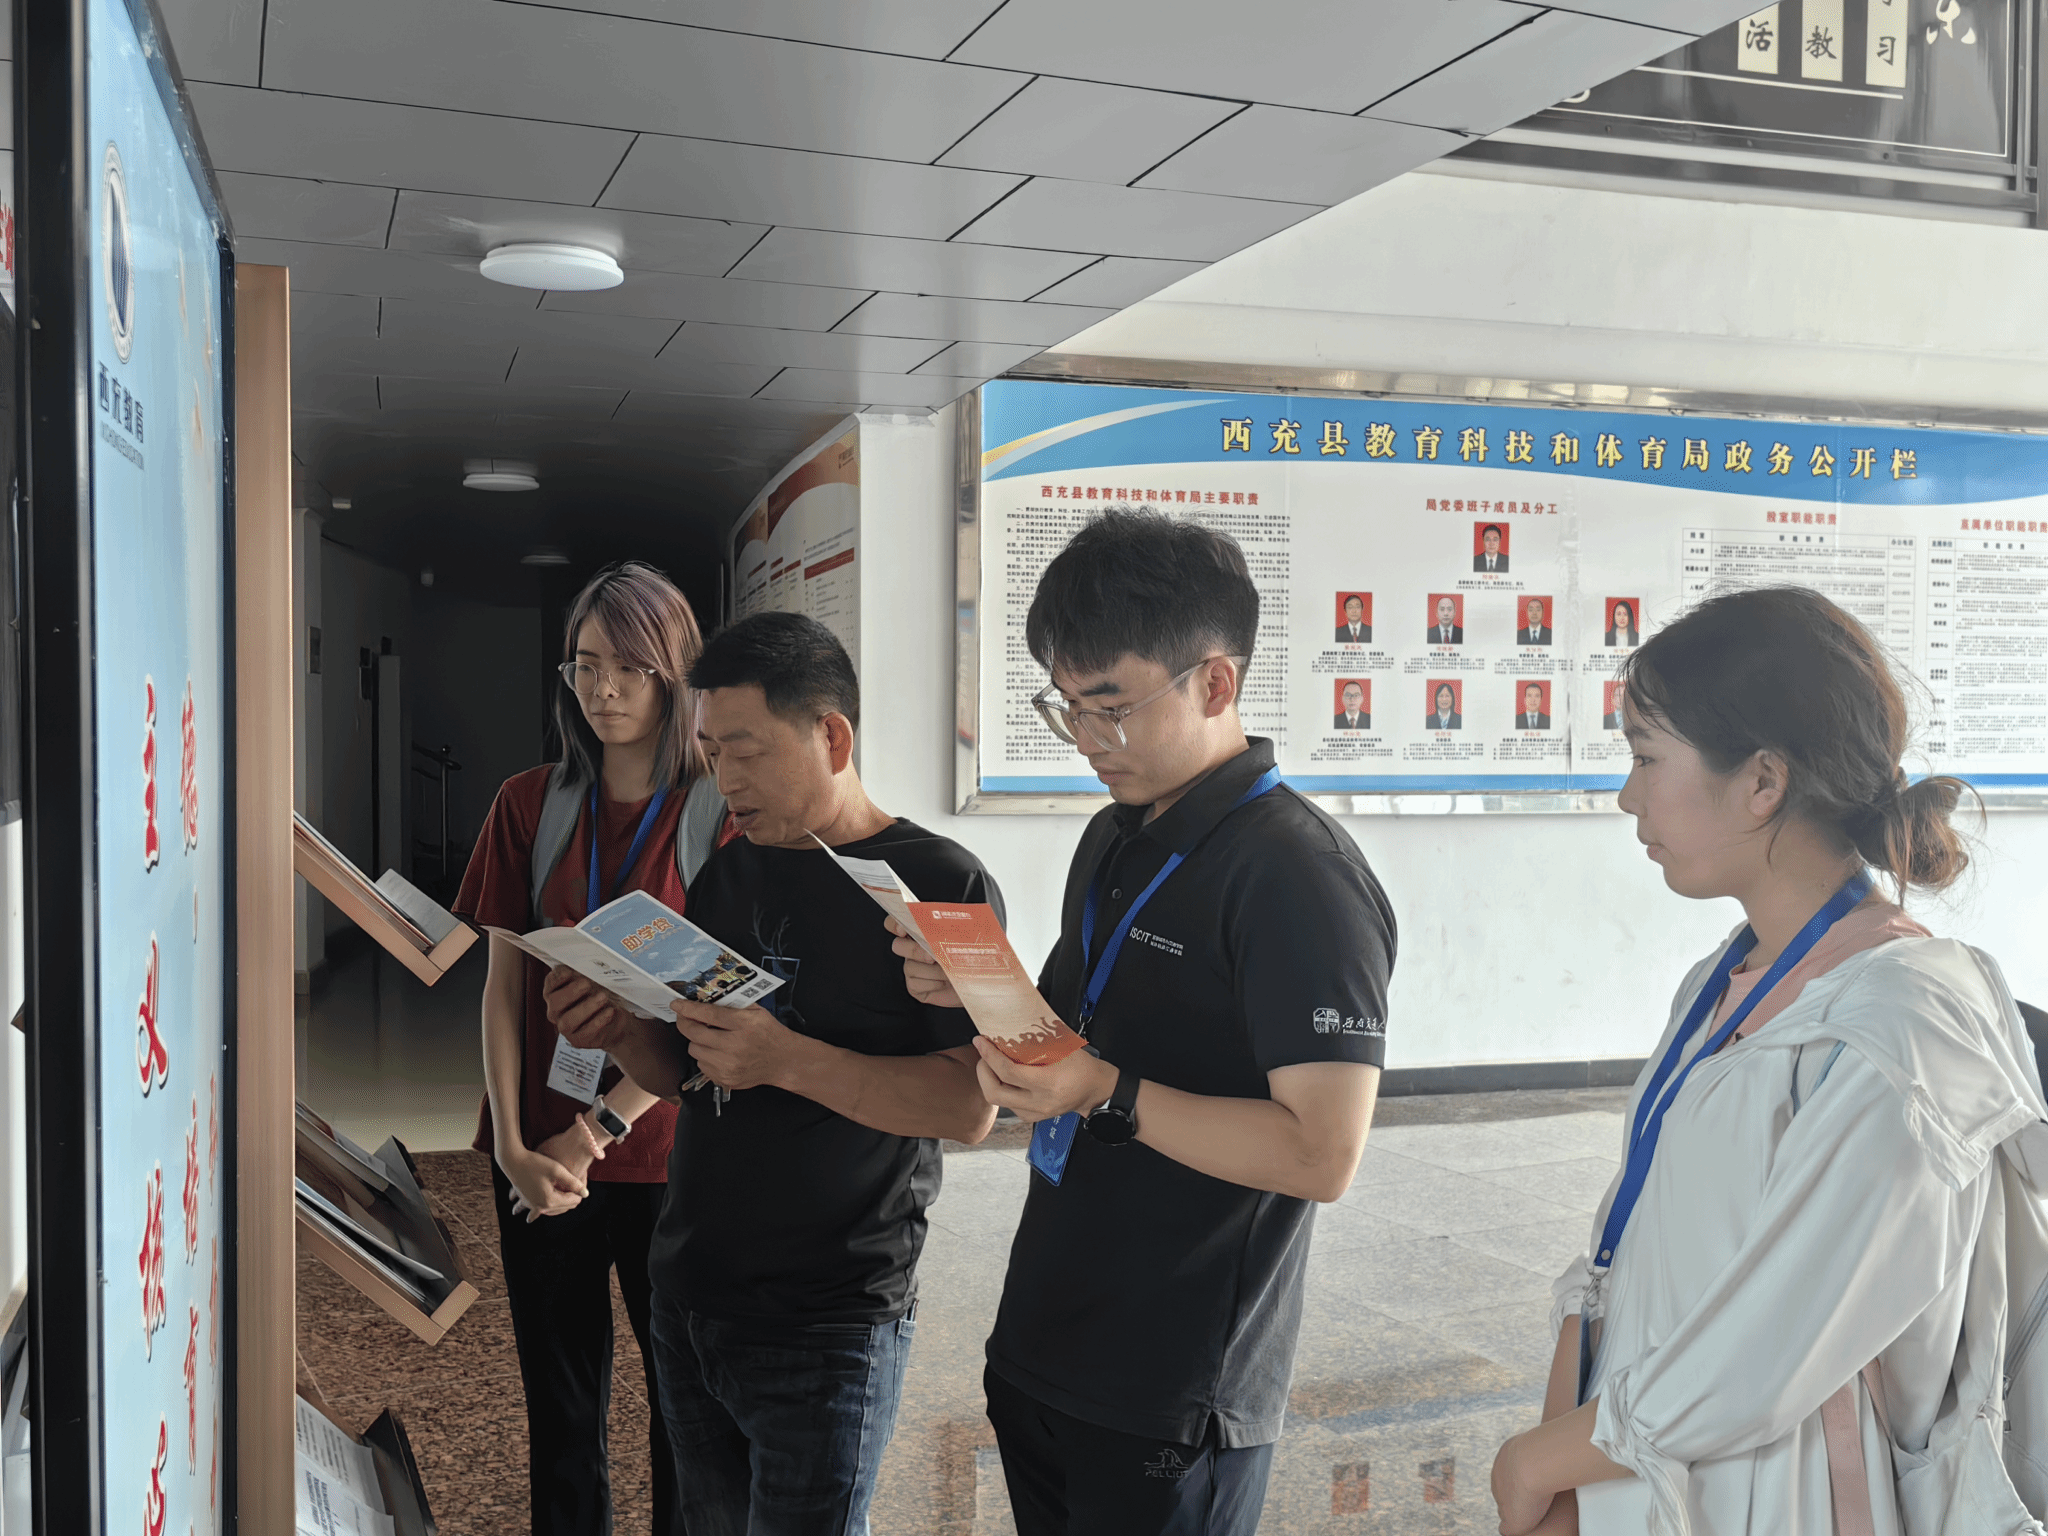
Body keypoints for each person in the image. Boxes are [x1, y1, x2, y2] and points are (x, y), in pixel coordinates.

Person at [1488, 586, 2046, 1536]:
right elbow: (1638, 1242)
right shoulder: (1723, 978)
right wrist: (1573, 1451)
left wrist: (1545, 1457)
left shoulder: (1908, 1024)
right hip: (1650, 1471)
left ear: (1762, 782)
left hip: (1787, 1499)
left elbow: (1778, 1343)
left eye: (1646, 758)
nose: (1627, 796)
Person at [900, 510, 1394, 1536]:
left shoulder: (1297, 877)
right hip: (1048, 1331)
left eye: (1111, 706)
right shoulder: (1115, 834)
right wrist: (975, 992)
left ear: (1214, 683)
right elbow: (1070, 1031)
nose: (1086, 740)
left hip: (1174, 1380)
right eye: (1066, 706)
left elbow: (1322, 1154)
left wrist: (1103, 1091)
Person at [543, 611, 1001, 1536]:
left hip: (829, 1315)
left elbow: (967, 1105)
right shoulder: (729, 872)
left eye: (746, 751)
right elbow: (691, 1073)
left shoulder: (940, 880)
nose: (726, 780)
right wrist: (620, 1030)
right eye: (712, 752)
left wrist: (786, 1059)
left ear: (831, 736)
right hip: (691, 1289)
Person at [454, 560, 718, 1536]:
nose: (603, 690)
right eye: (585, 665)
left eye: (630, 668)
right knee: (560, 1405)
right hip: (537, 1156)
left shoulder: (717, 816)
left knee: (684, 1405)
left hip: (669, 1157)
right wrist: (512, 1145)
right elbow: (503, 985)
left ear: (673, 673)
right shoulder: (528, 804)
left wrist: (595, 1129)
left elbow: (713, 1012)